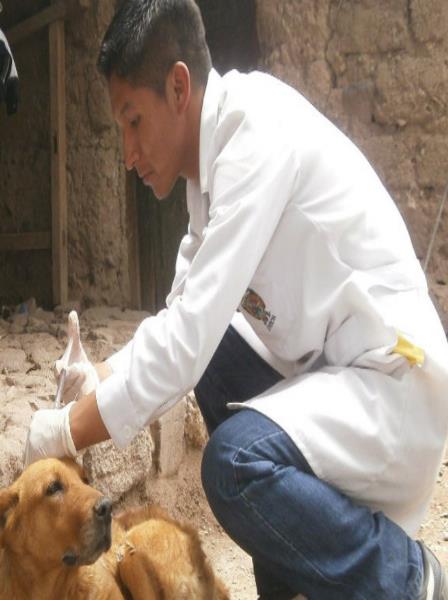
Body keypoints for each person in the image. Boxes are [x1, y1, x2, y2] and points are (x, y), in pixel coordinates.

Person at [23, 1, 448, 598]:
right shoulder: (209, 177)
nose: (127, 153)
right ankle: (298, 582)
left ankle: (406, 577)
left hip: (392, 385)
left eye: (133, 121)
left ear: (178, 86)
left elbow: (184, 341)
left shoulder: (256, 134)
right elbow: (180, 317)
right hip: (335, 376)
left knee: (232, 464)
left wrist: (63, 433)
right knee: (220, 354)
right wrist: (98, 374)